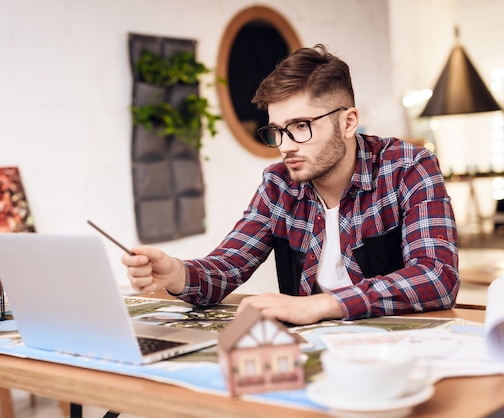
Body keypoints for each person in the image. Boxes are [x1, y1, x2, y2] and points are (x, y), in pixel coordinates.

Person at [121, 44, 460, 325]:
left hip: (397, 349)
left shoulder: (408, 167)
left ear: (348, 121)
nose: (285, 146)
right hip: (313, 354)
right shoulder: (279, 183)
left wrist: (320, 305)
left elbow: (437, 277)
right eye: (278, 131)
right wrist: (177, 274)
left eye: (300, 126)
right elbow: (227, 266)